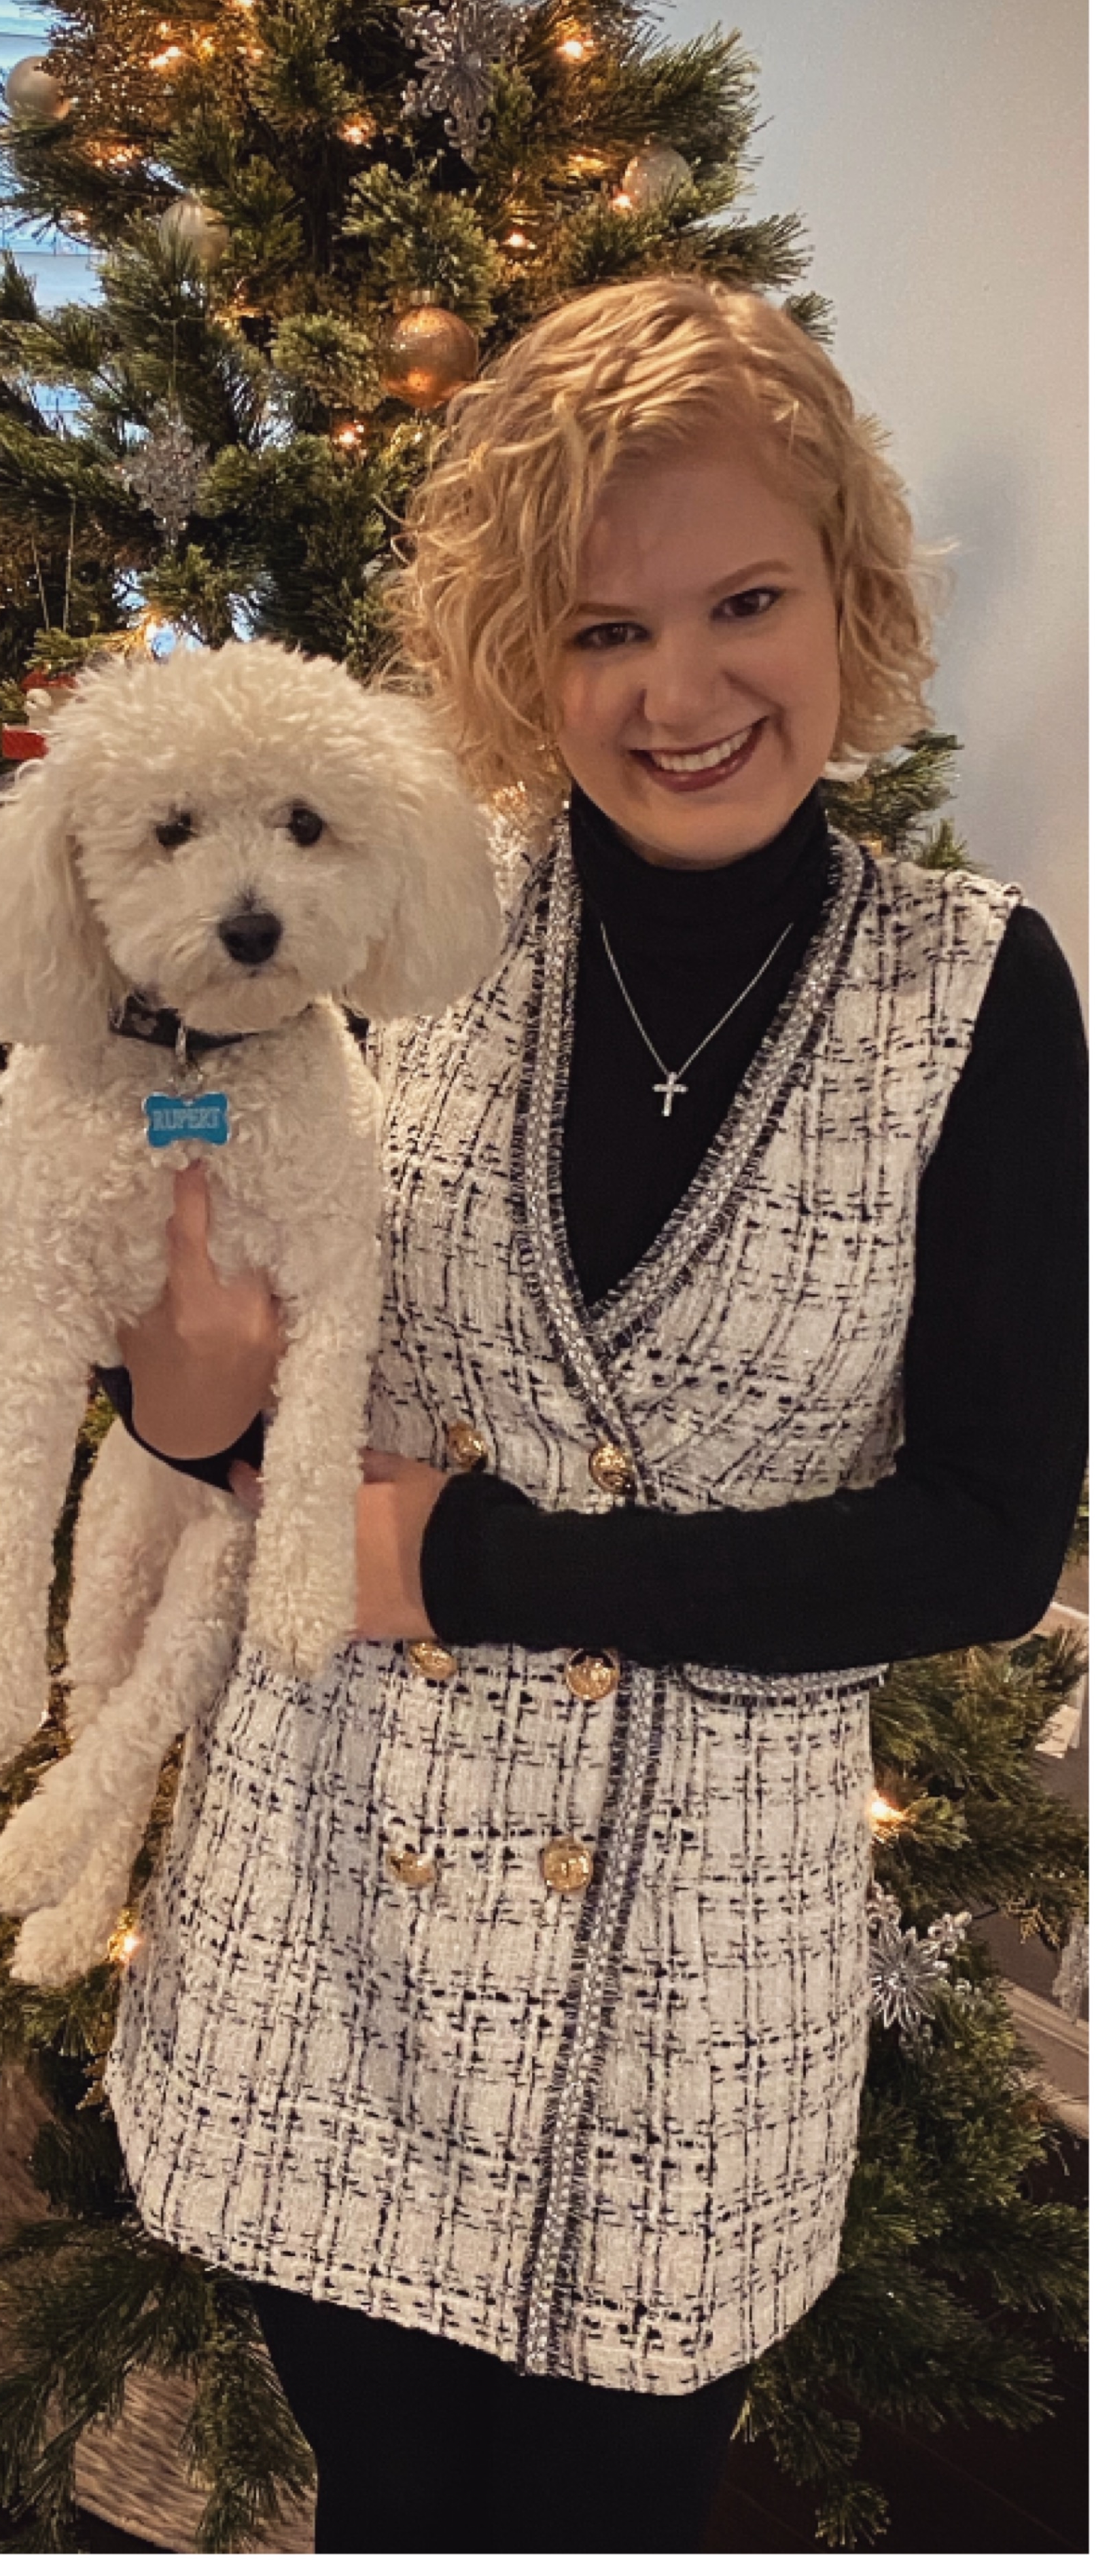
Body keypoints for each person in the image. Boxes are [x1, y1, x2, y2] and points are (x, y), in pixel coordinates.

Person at [94, 277, 1085, 2550]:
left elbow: (981, 1535)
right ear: (521, 662)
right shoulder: (399, 924)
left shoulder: (979, 994)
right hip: (337, 1907)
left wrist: (472, 1561)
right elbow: (223, 1412)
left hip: (691, 1972)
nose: (681, 690)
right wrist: (180, 1393)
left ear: (849, 593)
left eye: (744, 601)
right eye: (601, 630)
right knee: (388, 2493)